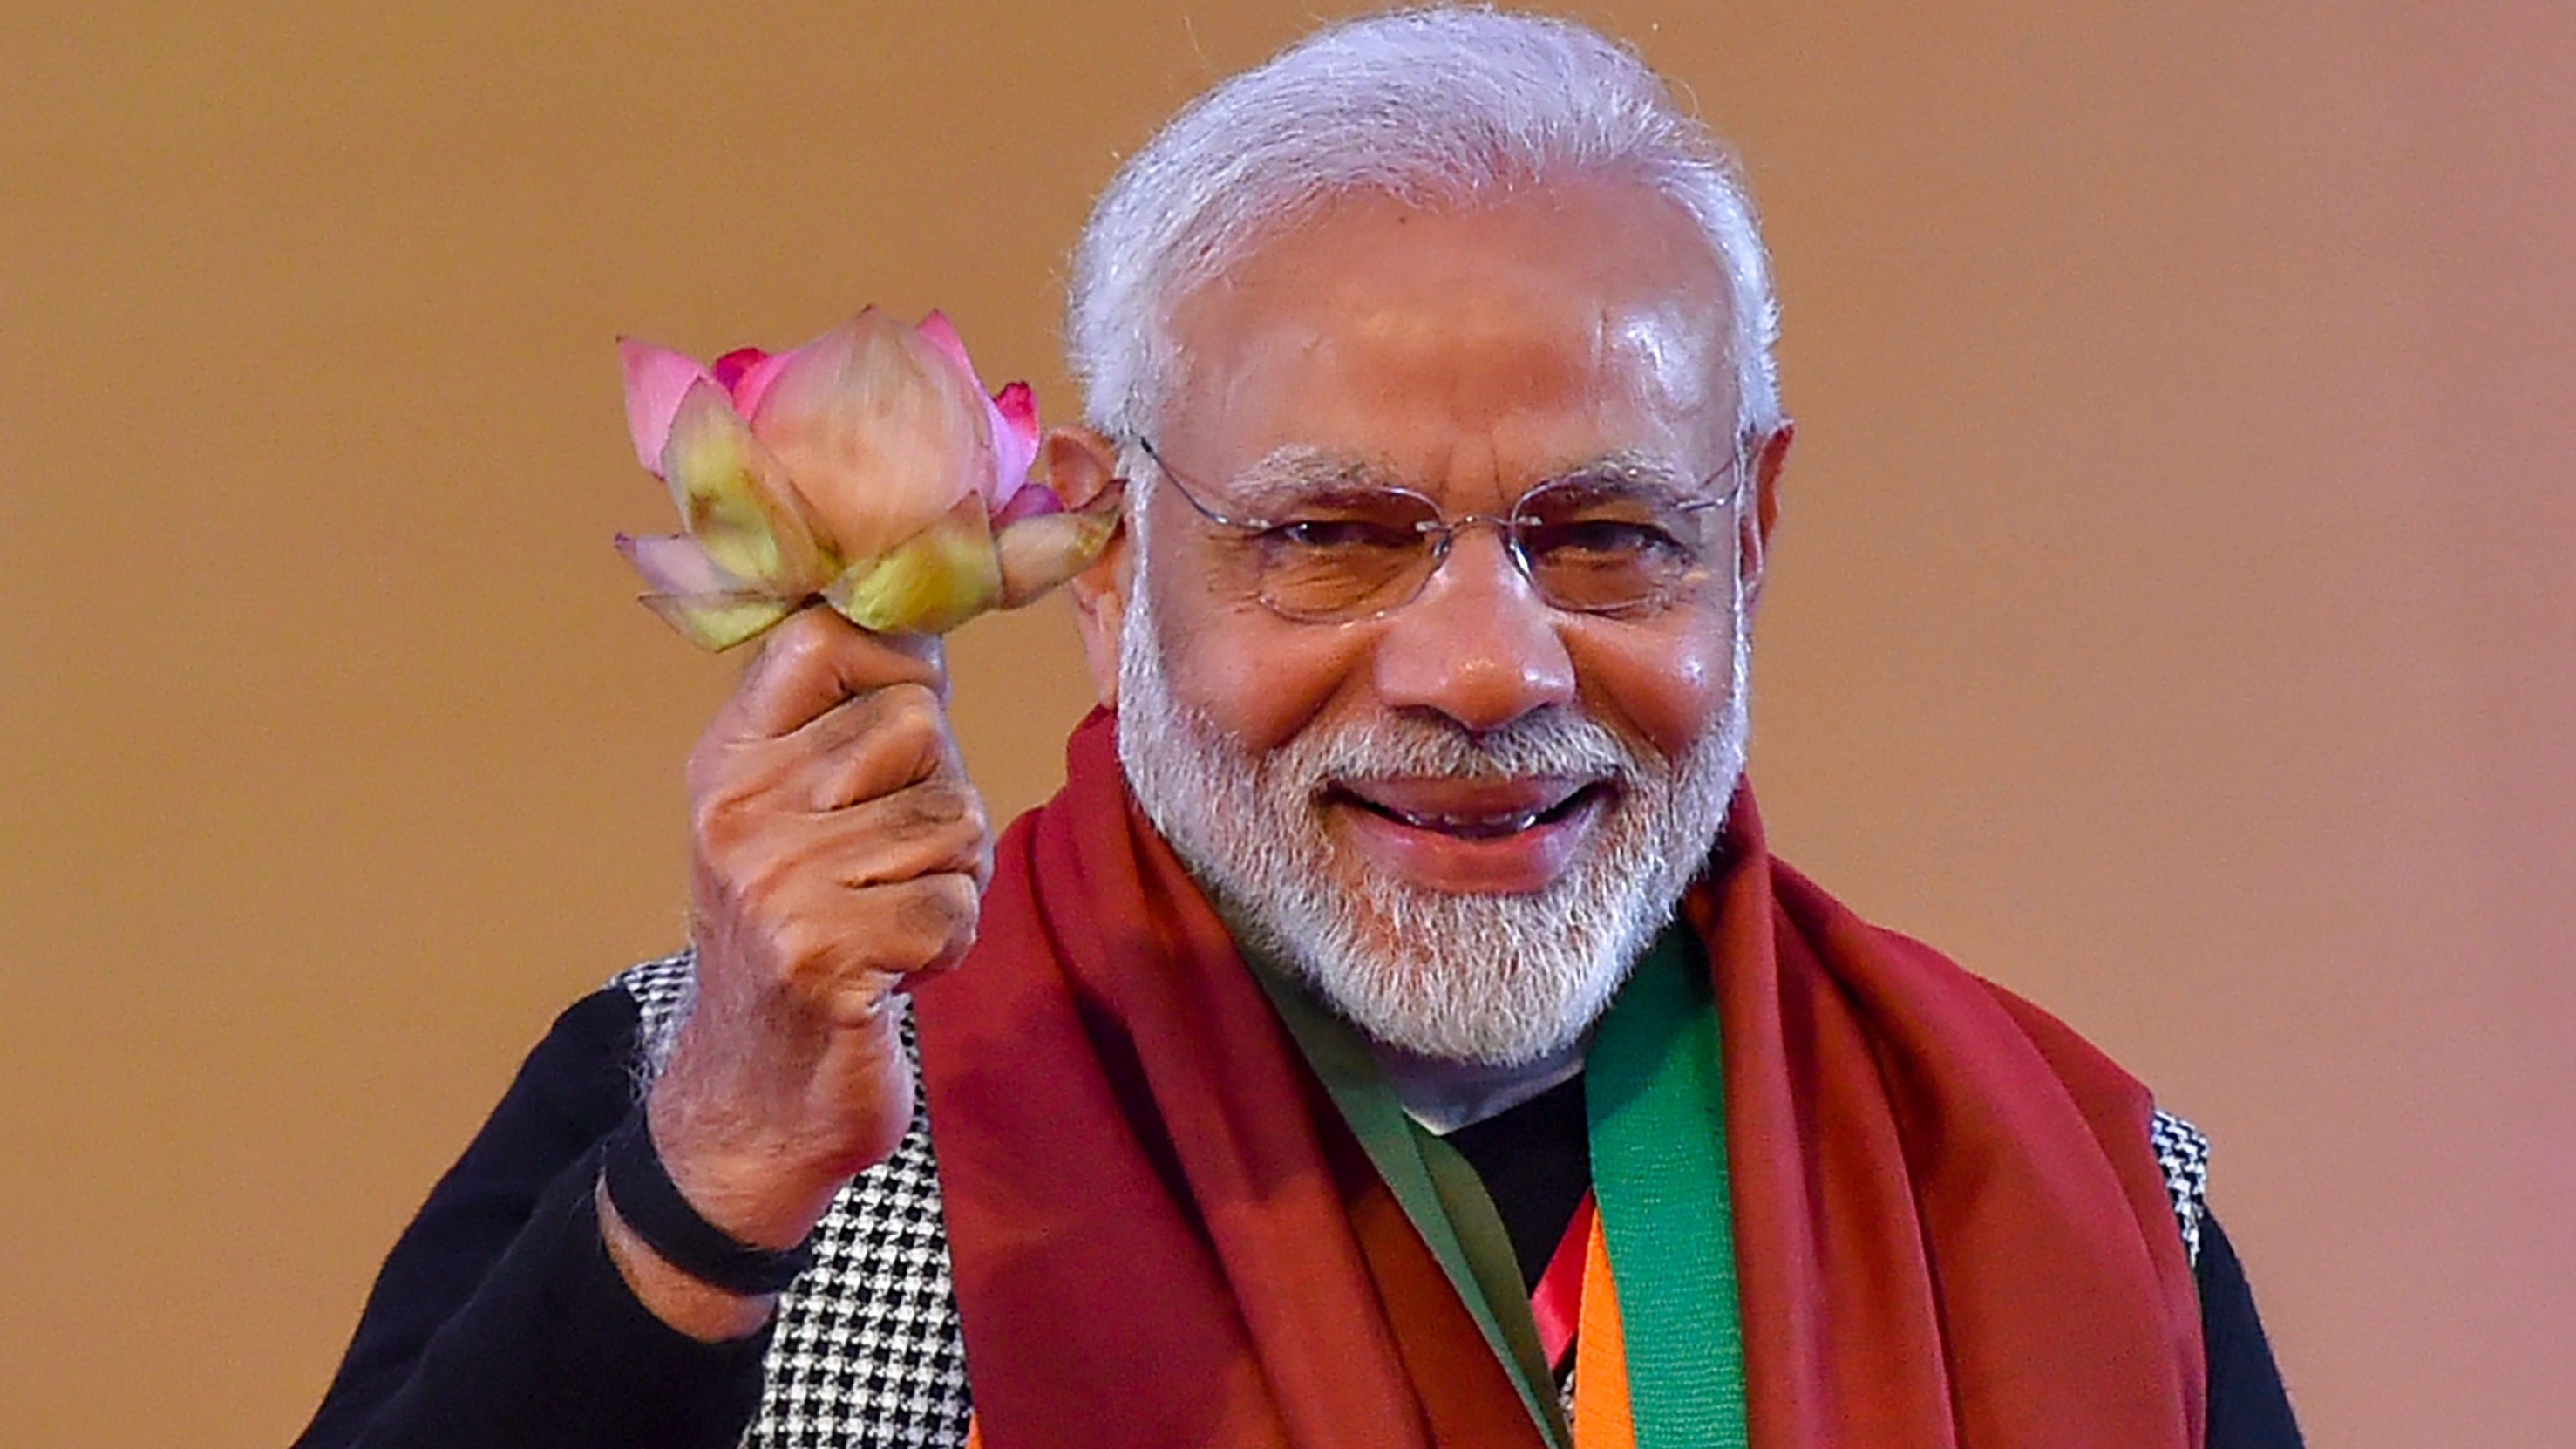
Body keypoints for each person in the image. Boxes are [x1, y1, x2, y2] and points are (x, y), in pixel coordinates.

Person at [295, 10, 2302, 1448]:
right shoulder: (718, 1104)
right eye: (1331, 539)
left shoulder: (2063, 1184)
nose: (1486, 670)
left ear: (1748, 533)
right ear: (1099, 552)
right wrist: (716, 1181)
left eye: (1605, 534)